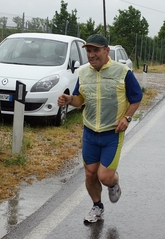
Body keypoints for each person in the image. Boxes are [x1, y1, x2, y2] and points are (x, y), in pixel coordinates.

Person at [57, 34, 143, 223]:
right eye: (89, 51)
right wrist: (69, 100)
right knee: (89, 173)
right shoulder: (82, 72)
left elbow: (136, 97)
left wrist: (127, 117)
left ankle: (114, 183)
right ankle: (97, 206)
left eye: (96, 50)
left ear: (106, 51)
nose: (92, 55)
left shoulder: (122, 71)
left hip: (112, 133)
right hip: (89, 132)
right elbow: (80, 99)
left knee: (104, 176)